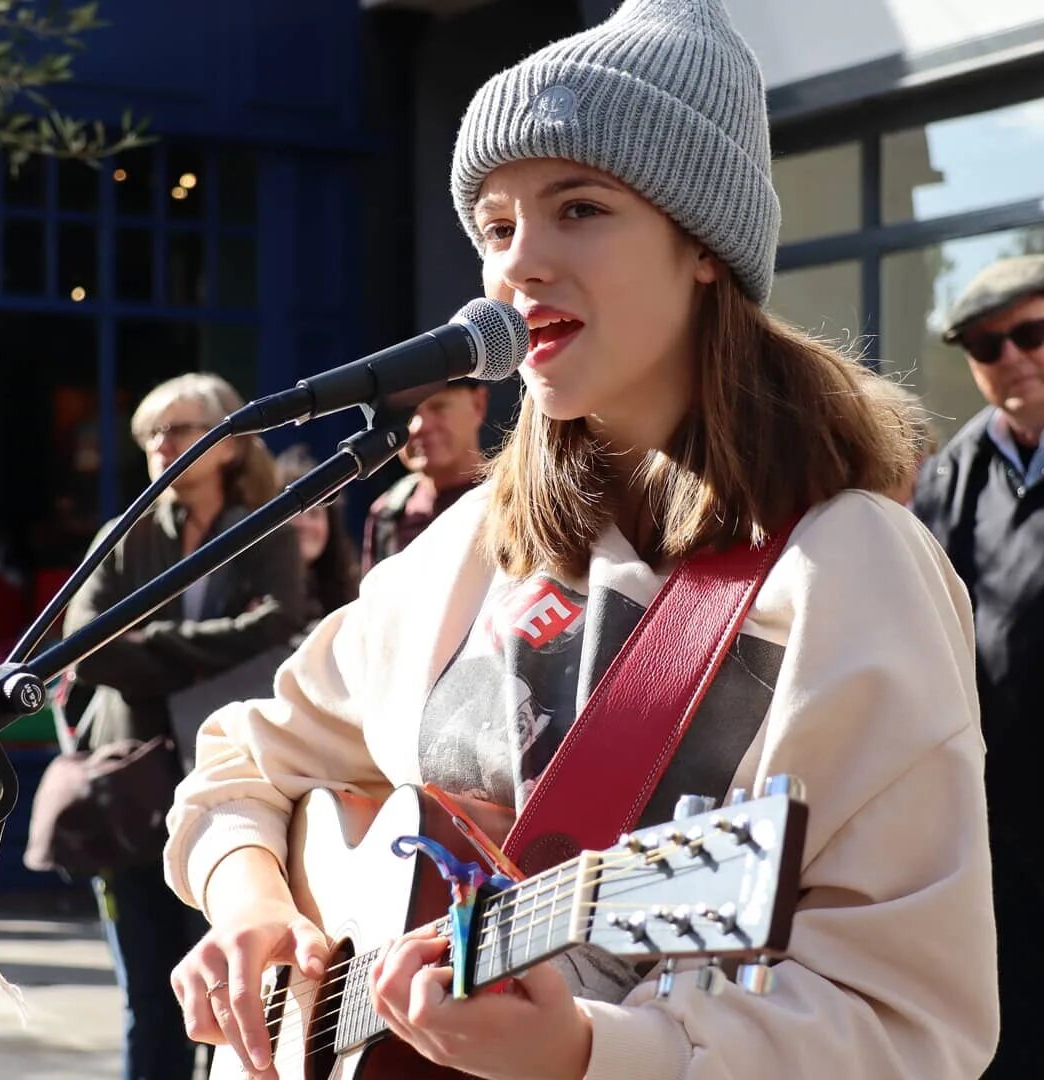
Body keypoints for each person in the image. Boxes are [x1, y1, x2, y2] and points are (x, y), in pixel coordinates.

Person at [164, 3, 998, 1077]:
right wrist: (249, 901)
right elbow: (243, 758)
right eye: (498, 229)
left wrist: (585, 1052)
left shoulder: (849, 567)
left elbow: (908, 1028)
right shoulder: (470, 551)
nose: (523, 265)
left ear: (706, 248)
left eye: (581, 208)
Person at [64, 372, 304, 1080]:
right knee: (150, 996)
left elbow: (276, 622)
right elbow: (85, 644)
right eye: (150, 434)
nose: (162, 445)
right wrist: (194, 659)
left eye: (179, 428)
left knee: (230, 998)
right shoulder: (124, 535)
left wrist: (154, 647)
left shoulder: (267, 526)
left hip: (228, 793)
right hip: (131, 787)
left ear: (228, 444)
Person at [911, 253, 1044, 1077]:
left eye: (1032, 333)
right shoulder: (952, 475)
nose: (1013, 357)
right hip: (994, 814)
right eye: (988, 346)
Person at [361, 379, 488, 572]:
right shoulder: (389, 514)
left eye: (439, 407)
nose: (419, 426)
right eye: (407, 416)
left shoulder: (514, 499)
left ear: (478, 404)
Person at [274, 443, 360, 628]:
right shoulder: (251, 593)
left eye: (314, 514)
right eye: (293, 514)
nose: (304, 524)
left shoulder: (352, 597)